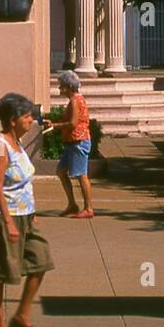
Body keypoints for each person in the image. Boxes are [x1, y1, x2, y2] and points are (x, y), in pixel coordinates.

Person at [0, 92, 53, 327]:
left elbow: (24, 184)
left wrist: (32, 214)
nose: (31, 120)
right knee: (0, 274)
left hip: (25, 215)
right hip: (2, 217)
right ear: (12, 120)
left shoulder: (17, 143)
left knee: (41, 260)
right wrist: (9, 222)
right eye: (27, 116)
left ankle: (22, 314)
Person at [51, 71, 94, 218]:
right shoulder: (75, 100)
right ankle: (72, 204)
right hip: (72, 142)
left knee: (81, 175)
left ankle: (88, 208)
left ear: (69, 86)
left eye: (62, 86)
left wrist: (55, 126)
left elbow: (73, 123)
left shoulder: (75, 101)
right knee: (61, 172)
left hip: (78, 142)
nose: (59, 89)